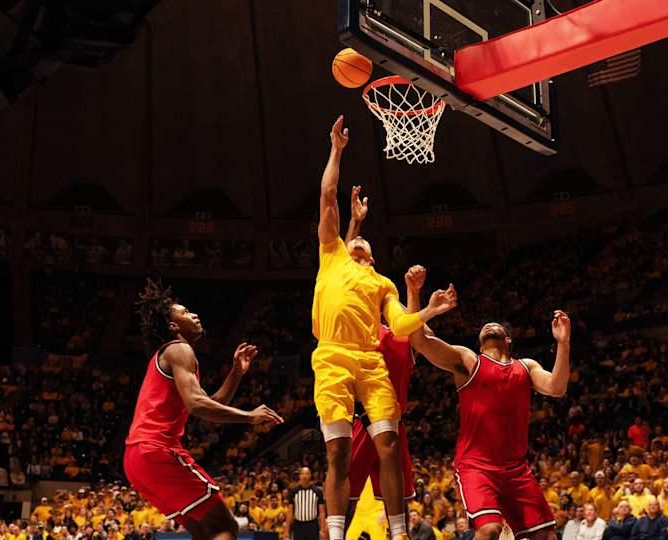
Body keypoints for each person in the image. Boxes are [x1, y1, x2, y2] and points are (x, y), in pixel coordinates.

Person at [311, 115, 455, 540]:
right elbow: (327, 195)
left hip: (370, 358)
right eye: (354, 238)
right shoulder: (332, 254)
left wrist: (428, 310)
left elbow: (400, 325)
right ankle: (336, 535)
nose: (356, 242)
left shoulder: (381, 283)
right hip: (333, 355)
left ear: (370, 257)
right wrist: (336, 150)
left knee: (388, 446)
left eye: (363, 243)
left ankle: (398, 533)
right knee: (337, 452)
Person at [407, 271, 571, 540]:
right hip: (476, 467)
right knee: (489, 529)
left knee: (548, 536)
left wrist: (563, 344)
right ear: (480, 345)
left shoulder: (525, 367)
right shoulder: (469, 361)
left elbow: (557, 387)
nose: (489, 325)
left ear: (509, 339)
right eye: (484, 327)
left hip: (516, 470)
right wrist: (414, 293)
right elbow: (418, 340)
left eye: (497, 326)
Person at [124, 279, 283, 540]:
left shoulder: (172, 356)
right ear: (174, 326)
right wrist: (249, 417)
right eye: (185, 312)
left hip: (137, 459)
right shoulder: (179, 349)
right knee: (225, 527)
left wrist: (235, 373)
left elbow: (209, 403)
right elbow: (197, 405)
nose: (194, 314)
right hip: (157, 450)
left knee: (205, 531)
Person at [344, 202, 420, 530]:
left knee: (397, 505)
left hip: (394, 423)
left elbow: (412, 325)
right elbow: (342, 261)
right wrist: (355, 224)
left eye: (364, 252)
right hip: (360, 421)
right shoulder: (351, 327)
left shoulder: (399, 333)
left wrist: (413, 291)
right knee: (343, 498)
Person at [285, 467, 327, 540]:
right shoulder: (294, 492)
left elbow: (322, 512)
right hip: (298, 525)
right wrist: (286, 530)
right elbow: (290, 512)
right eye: (302, 474)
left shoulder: (317, 491)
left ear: (310, 476)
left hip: (312, 525)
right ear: (300, 476)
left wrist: (322, 529)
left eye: (307, 474)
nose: (304, 476)